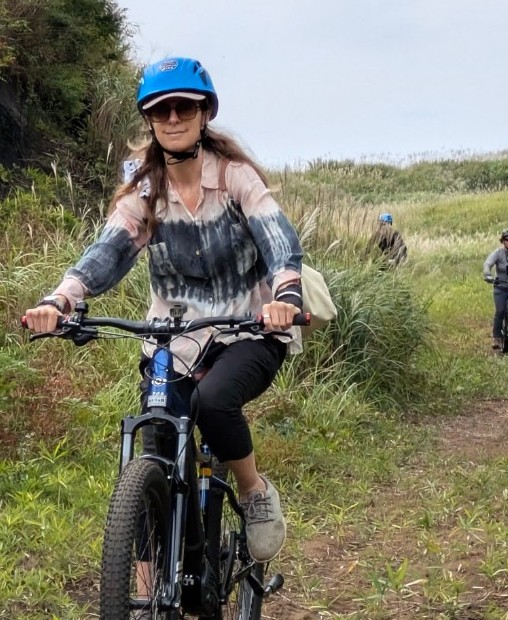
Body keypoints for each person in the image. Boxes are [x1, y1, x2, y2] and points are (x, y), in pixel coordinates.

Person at [24, 56, 304, 566]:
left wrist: (285, 297)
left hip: (247, 328)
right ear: (149, 120)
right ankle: (144, 593)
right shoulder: (147, 191)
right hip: (173, 339)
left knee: (214, 402)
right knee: (154, 442)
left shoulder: (236, 177)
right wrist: (61, 298)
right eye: (161, 110)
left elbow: (278, 238)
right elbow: (108, 250)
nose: (173, 118)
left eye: (184, 107)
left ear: (204, 113)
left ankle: (253, 490)